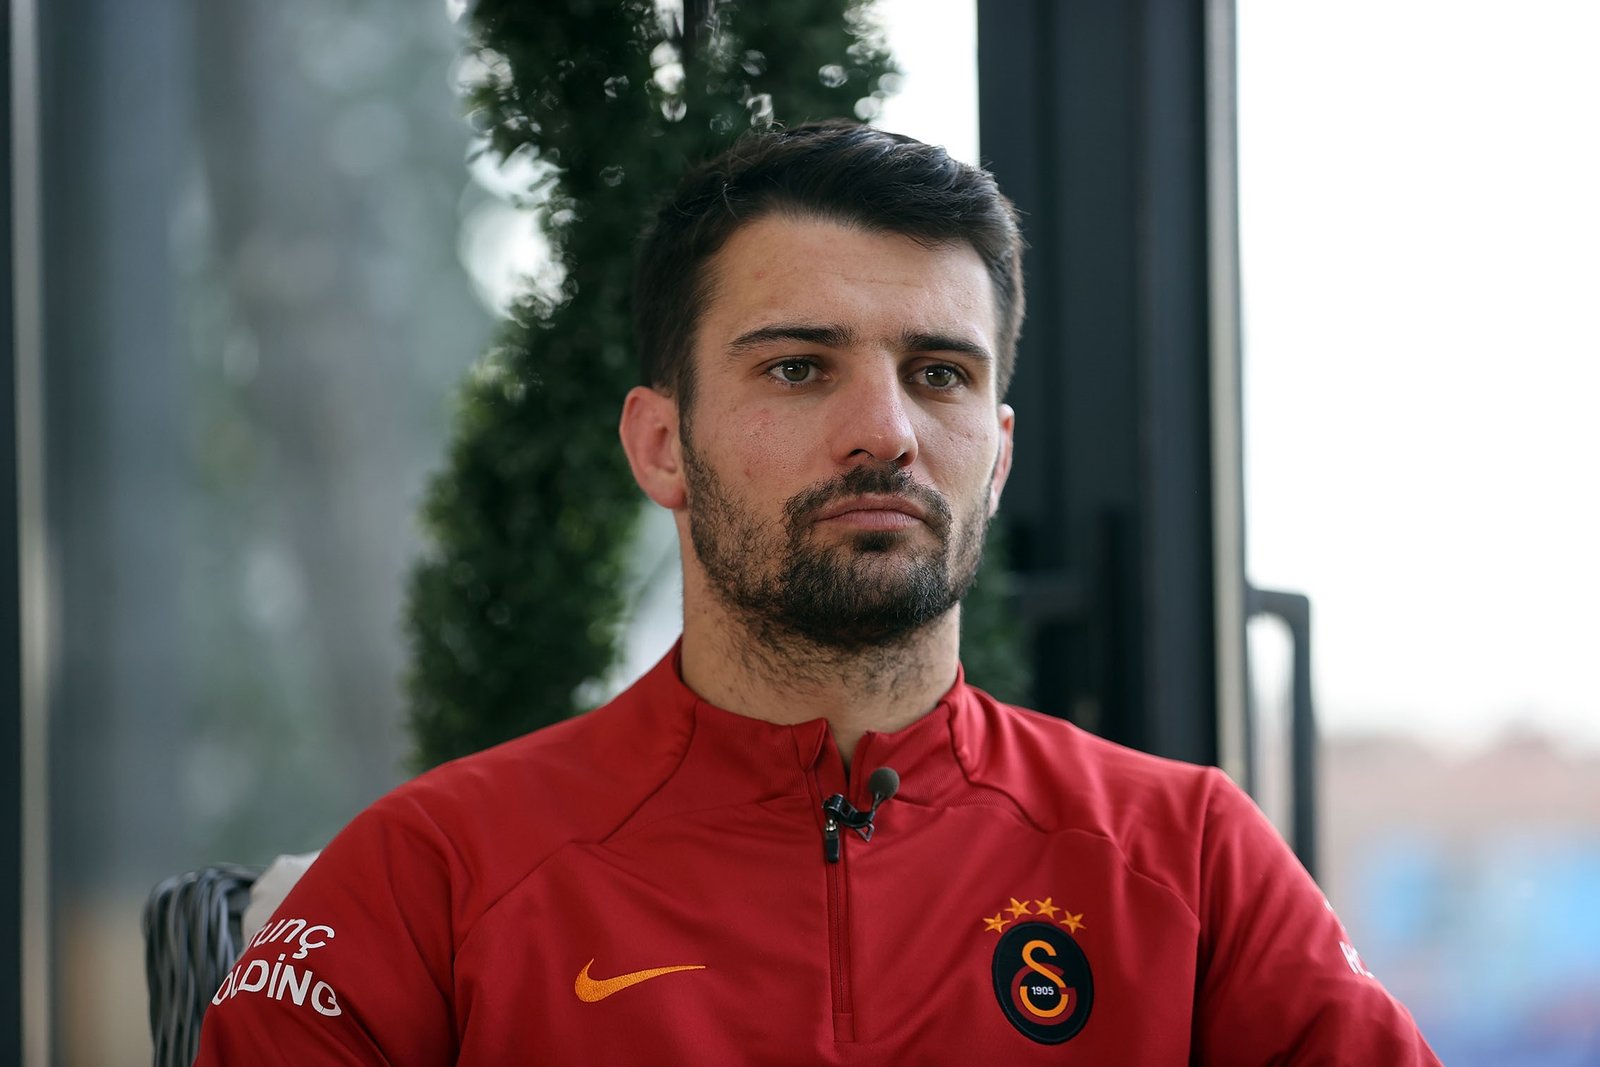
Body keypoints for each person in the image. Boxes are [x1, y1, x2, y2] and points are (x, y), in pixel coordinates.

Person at [196, 121, 1440, 1064]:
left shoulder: (1188, 858)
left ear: (997, 454)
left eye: (939, 373)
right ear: (661, 445)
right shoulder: (436, 871)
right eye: (798, 367)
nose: (884, 431)